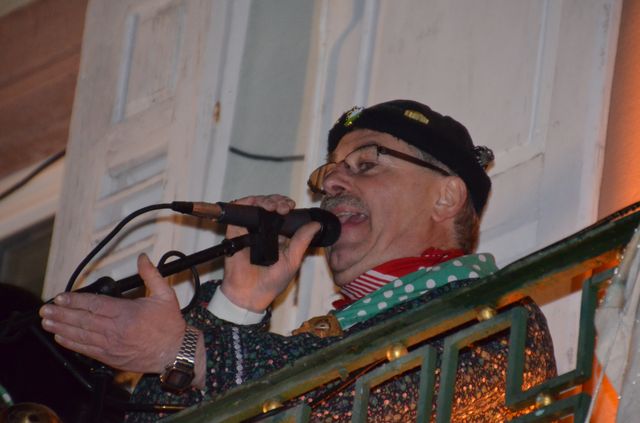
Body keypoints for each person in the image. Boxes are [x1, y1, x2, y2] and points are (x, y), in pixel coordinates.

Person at [39, 100, 556, 421]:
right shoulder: (324, 335)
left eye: (367, 164)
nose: (333, 182)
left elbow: (359, 402)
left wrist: (186, 350)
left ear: (446, 197)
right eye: (329, 173)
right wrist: (236, 304)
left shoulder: (497, 319)